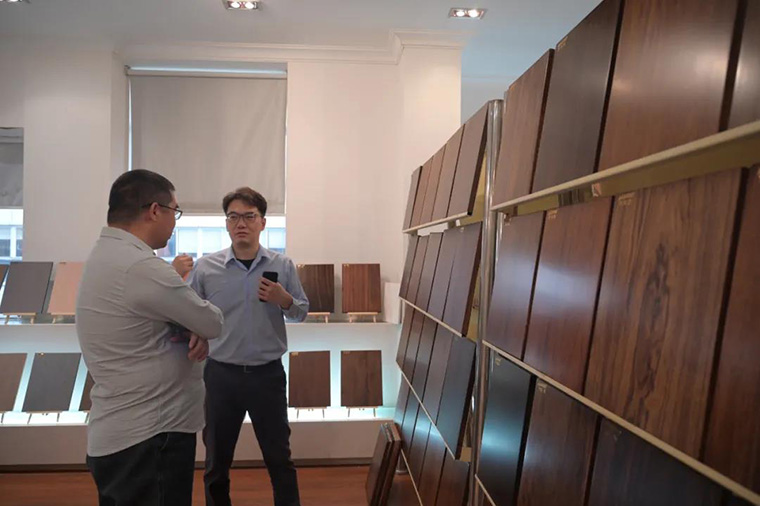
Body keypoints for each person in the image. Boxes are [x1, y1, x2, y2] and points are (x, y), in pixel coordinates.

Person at [76, 169, 224, 506]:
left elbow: (149, 320)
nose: (175, 223)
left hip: (128, 430)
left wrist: (187, 326)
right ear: (155, 210)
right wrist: (195, 326)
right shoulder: (140, 266)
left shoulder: (106, 255)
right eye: (175, 211)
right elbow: (212, 321)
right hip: (150, 435)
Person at [187, 187, 309, 506]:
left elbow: (301, 312)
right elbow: (187, 311)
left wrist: (284, 300)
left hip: (267, 376)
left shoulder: (283, 265)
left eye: (249, 216)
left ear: (263, 223)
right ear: (226, 223)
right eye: (234, 216)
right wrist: (197, 332)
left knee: (279, 459)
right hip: (221, 376)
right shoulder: (206, 268)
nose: (241, 223)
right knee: (216, 461)